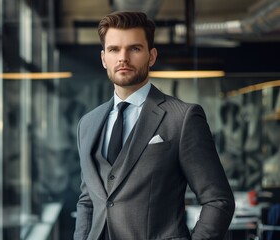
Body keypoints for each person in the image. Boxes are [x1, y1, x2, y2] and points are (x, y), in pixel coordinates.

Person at [74, 11, 235, 240]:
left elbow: (218, 200)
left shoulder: (182, 118)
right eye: (114, 49)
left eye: (135, 48)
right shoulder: (87, 124)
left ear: (151, 56)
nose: (123, 58)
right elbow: (87, 201)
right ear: (103, 58)